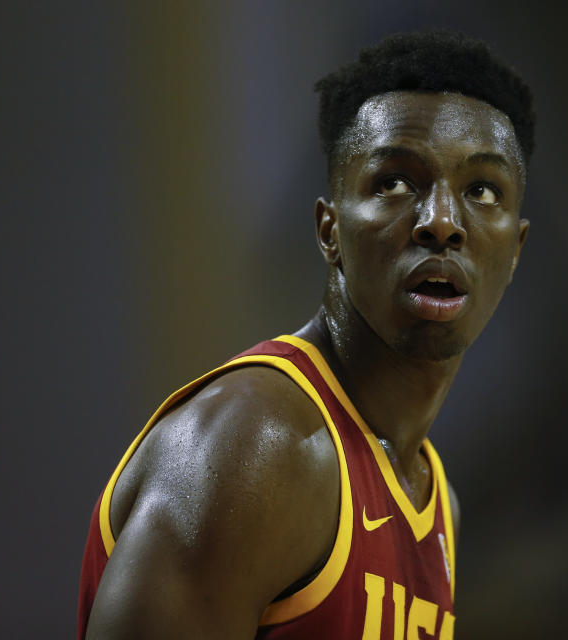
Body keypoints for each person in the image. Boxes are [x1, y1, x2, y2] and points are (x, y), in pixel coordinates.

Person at [78, 30, 534, 640]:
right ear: (329, 230)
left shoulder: (435, 498)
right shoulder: (255, 450)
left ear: (515, 251)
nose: (443, 223)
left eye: (482, 190)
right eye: (396, 182)